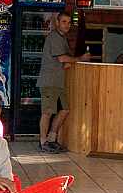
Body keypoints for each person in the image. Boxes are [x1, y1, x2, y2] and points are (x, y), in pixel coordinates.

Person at [37, 11, 90, 153]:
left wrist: (71, 61)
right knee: (47, 112)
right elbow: (62, 59)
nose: (67, 25)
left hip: (59, 82)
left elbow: (65, 62)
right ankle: (43, 142)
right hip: (49, 81)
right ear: (57, 23)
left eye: (69, 22)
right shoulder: (54, 37)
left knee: (65, 110)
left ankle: (52, 139)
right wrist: (81, 59)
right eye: (64, 22)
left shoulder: (63, 38)